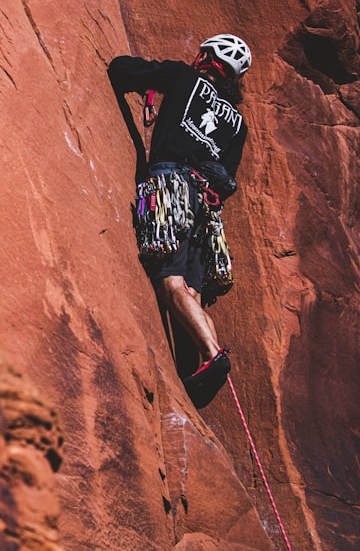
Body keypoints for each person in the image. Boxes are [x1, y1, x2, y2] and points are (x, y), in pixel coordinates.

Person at [108, 34, 252, 408]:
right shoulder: (237, 124)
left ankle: (212, 355)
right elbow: (228, 179)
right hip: (208, 209)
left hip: (172, 187)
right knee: (194, 292)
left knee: (170, 281)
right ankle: (206, 359)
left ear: (206, 57)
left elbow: (124, 70)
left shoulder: (183, 78)